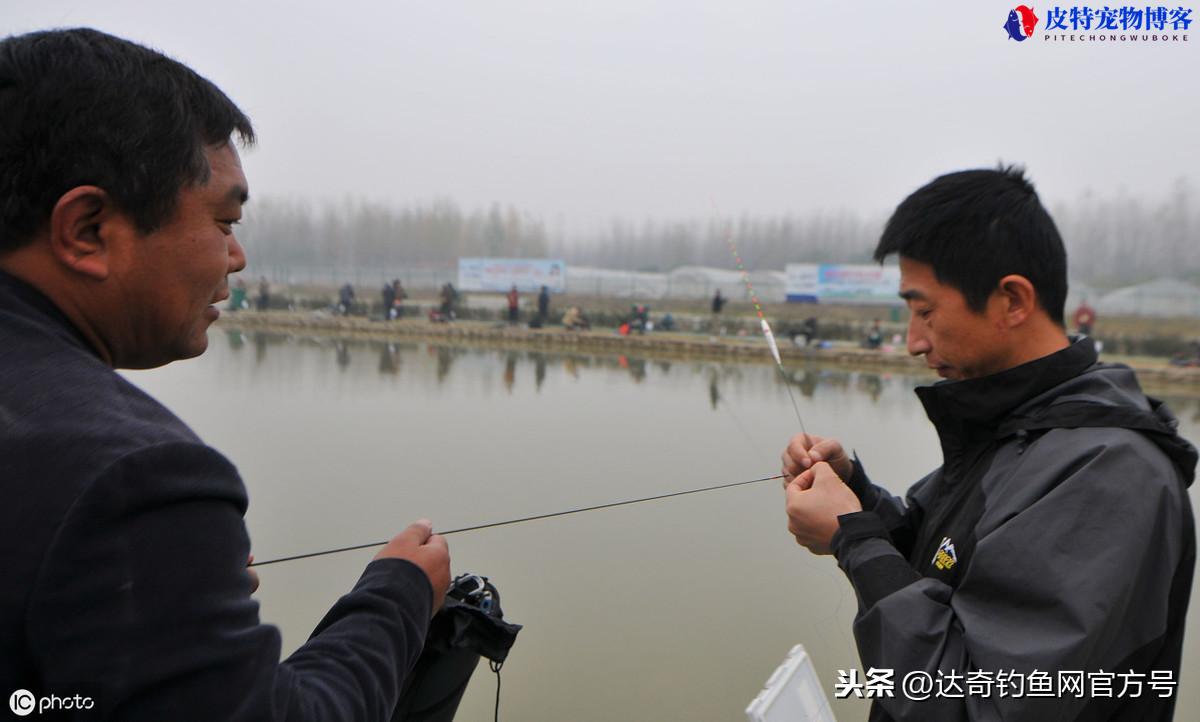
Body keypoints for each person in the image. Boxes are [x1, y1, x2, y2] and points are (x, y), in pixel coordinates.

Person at [0, 28, 451, 721]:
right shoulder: (136, 478)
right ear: (87, 230)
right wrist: (397, 595)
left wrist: (168, 603)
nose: (236, 258)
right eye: (224, 220)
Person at [780, 168, 1195, 721]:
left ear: (1012, 301)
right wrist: (857, 499)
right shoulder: (1019, 429)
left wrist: (855, 542)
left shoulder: (1108, 474)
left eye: (925, 310)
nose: (912, 342)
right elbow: (944, 565)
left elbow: (977, 705)